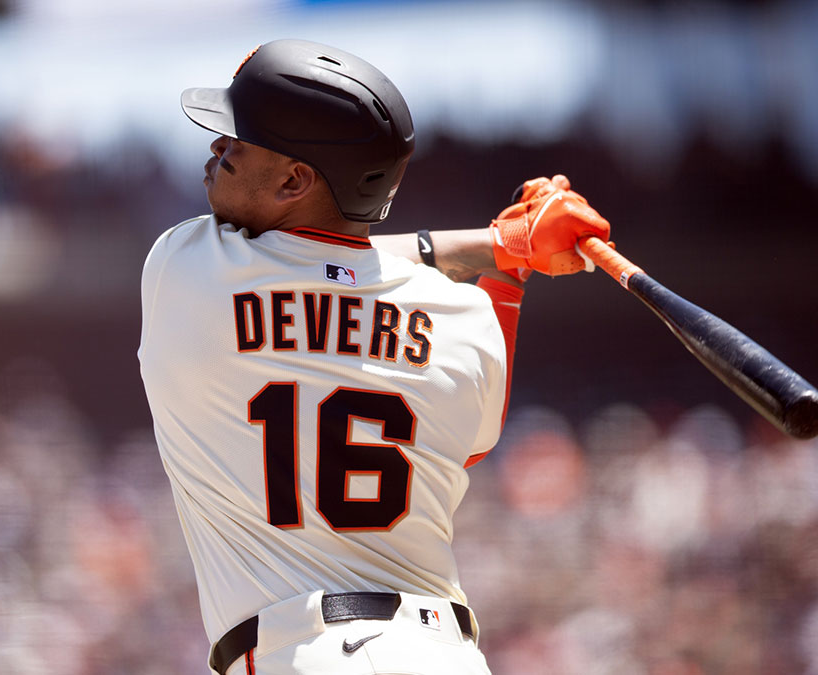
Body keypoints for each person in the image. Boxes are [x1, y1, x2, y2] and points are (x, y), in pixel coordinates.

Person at [138, 39, 610, 674]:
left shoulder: (184, 267)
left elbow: (317, 264)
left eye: (236, 142)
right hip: (448, 656)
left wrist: (496, 247)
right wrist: (508, 263)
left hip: (306, 653)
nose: (215, 149)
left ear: (293, 180)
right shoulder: (463, 319)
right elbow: (465, 442)